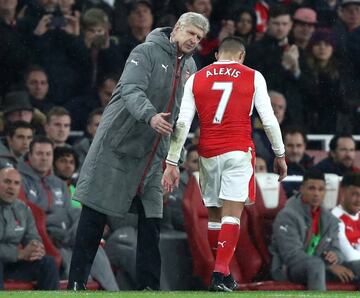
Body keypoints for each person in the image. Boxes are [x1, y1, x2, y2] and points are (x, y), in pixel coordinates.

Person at [67, 12, 209, 291]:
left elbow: (183, 119)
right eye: (191, 33)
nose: (194, 40)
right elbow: (131, 89)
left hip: (154, 157)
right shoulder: (145, 51)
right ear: (177, 28)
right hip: (118, 148)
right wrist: (150, 116)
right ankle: (76, 284)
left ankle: (150, 289)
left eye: (199, 37)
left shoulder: (192, 68)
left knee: (151, 224)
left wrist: (174, 162)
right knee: (94, 216)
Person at [162, 36, 287, 292]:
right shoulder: (253, 76)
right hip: (238, 151)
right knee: (232, 214)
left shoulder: (197, 78)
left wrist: (172, 161)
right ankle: (220, 274)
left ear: (217, 55)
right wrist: (280, 154)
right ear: (241, 57)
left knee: (215, 217)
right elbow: (270, 119)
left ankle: (222, 274)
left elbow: (183, 123)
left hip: (208, 153)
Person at [18, 136, 118, 290]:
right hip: (49, 240)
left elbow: (73, 212)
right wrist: (62, 231)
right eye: (39, 154)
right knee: (77, 266)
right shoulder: (18, 180)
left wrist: (72, 234)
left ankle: (114, 292)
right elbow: (29, 215)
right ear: (29, 155)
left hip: (68, 238)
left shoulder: (58, 183)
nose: (44, 158)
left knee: (93, 247)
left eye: (48, 154)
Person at [270, 169, 360, 290]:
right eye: (311, 188)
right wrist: (328, 266)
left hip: (319, 267)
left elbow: (337, 250)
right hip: (288, 268)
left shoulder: (330, 219)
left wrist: (335, 256)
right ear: (301, 189)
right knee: (315, 265)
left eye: (321, 189)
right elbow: (291, 255)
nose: (316, 193)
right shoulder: (287, 215)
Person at [0, 166, 59, 290]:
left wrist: (36, 247)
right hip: (7, 259)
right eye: (7, 181)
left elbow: (32, 235)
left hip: (12, 265)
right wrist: (19, 254)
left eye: (16, 183)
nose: (11, 186)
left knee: (48, 263)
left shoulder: (23, 209)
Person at [332, 173, 360, 263]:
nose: (359, 200)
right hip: (349, 266)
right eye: (355, 194)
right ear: (343, 192)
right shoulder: (334, 218)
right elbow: (349, 255)